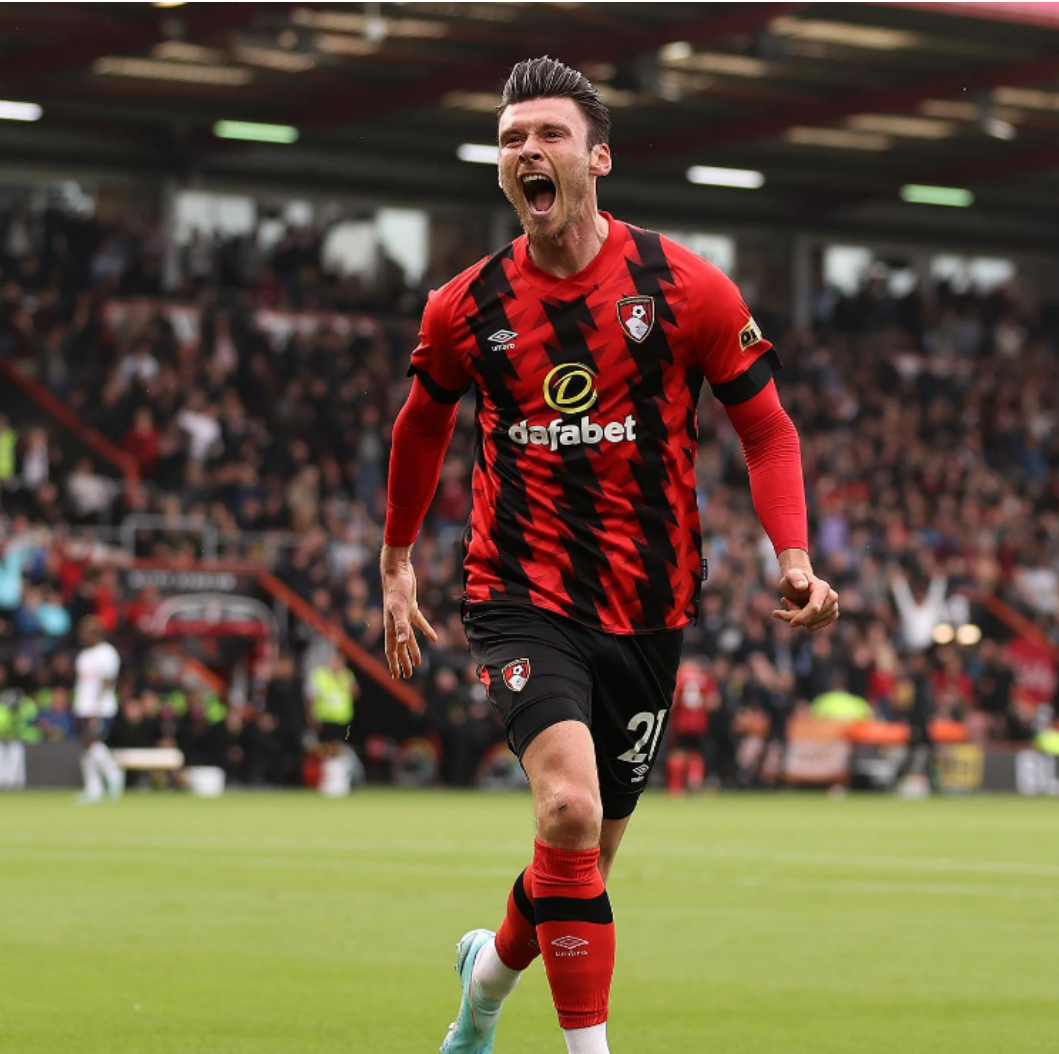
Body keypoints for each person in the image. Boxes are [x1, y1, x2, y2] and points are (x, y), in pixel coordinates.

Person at [380, 56, 840, 1054]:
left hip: (649, 605)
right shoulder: (465, 306)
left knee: (576, 857)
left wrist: (794, 555)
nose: (527, 151)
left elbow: (768, 432)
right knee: (568, 807)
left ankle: (482, 989)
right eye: (511, 139)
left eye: (548, 134)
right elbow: (420, 427)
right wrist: (396, 558)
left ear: (597, 158)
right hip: (518, 590)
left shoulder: (685, 287)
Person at [72, 615, 123, 802]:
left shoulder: (107, 653)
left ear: (97, 633)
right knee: (87, 747)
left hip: (101, 708)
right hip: (83, 707)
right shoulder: (84, 655)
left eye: (85, 632)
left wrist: (96, 708)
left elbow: (107, 683)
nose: (82, 635)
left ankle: (113, 775)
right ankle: (94, 788)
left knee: (92, 744)